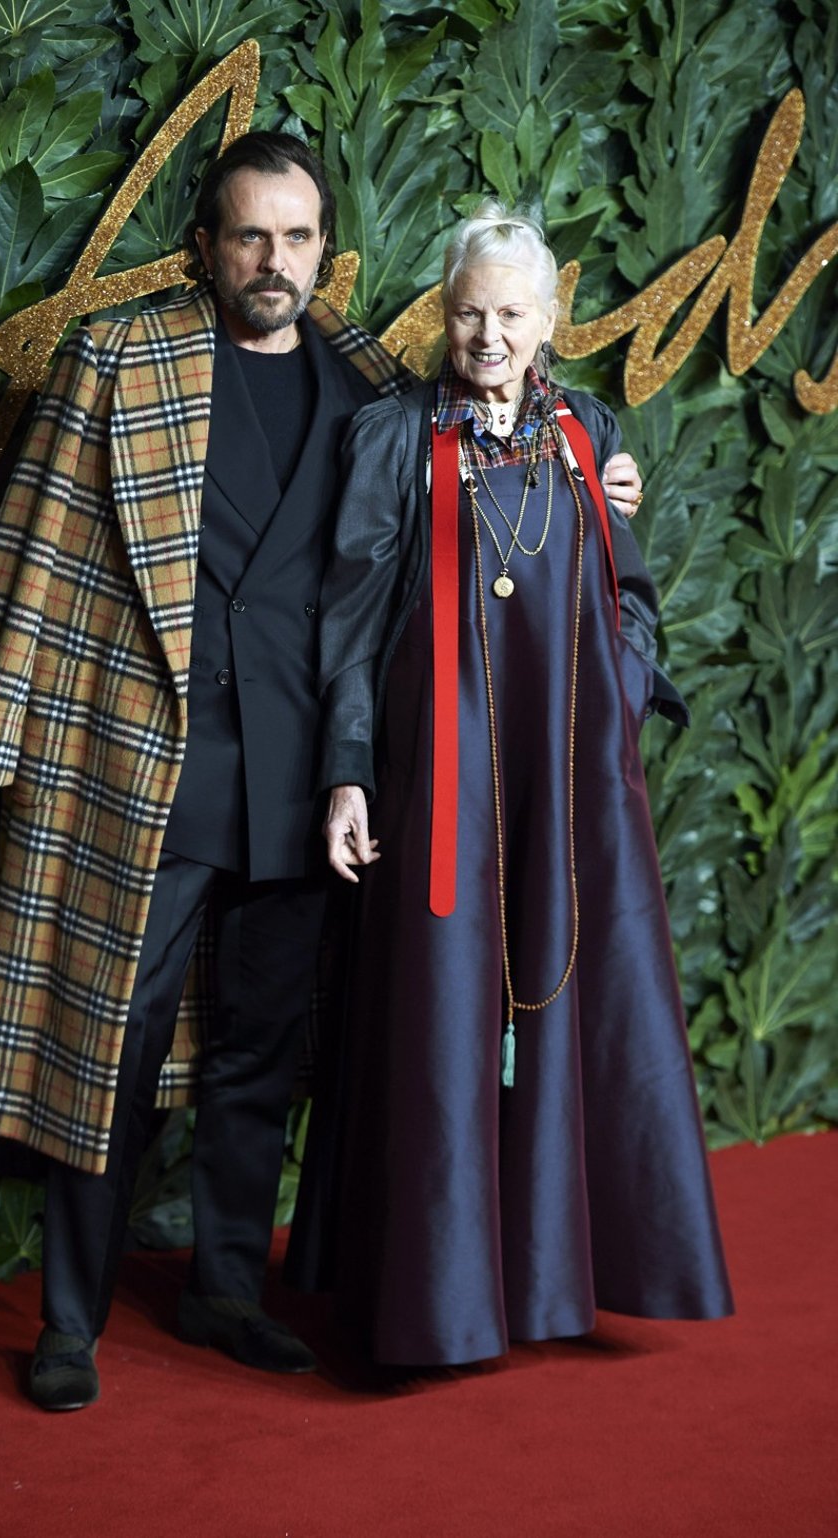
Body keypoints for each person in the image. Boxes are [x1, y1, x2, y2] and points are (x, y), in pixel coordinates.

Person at [0, 139, 642, 1410]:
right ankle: (70, 1320)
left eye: (299, 237)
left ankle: (224, 1288)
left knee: (263, 1047)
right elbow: (29, 542)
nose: (276, 262)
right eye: (251, 237)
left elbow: (505, 416)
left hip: (309, 777)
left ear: (327, 246)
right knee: (114, 1042)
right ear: (203, 245)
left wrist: (606, 473)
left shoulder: (370, 381)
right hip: (153, 763)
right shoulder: (120, 357)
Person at [297, 199, 732, 1366]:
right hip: (443, 786)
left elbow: (629, 596)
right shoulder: (394, 437)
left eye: (509, 313)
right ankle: (441, 1304)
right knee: (442, 1019)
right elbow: (346, 626)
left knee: (569, 1009)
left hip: (569, 783)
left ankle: (548, 1291)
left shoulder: (589, 431)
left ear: (551, 318)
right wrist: (348, 777)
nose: (486, 333)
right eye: (466, 311)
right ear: (445, 314)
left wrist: (622, 698)